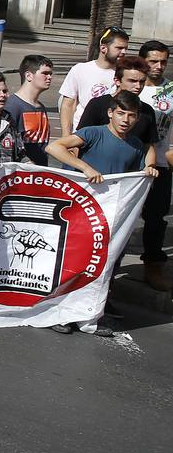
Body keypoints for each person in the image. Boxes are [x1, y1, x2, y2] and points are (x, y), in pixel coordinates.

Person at [45, 92, 162, 334]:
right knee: (75, 263)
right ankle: (61, 314)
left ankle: (89, 315)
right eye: (120, 113)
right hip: (83, 214)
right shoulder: (93, 133)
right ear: (111, 113)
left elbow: (148, 154)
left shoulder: (136, 145)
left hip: (113, 218)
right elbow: (54, 147)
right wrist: (85, 167)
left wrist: (149, 168)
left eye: (131, 115)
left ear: (137, 118)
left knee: (103, 268)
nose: (125, 120)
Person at [138, 41, 173, 292]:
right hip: (129, 164)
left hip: (161, 164)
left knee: (156, 218)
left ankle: (153, 265)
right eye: (153, 61)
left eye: (163, 61)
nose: (158, 66)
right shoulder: (132, 85)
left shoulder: (171, 90)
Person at [59, 26, 129, 135]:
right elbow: (68, 105)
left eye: (125, 48)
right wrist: (66, 136)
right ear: (103, 48)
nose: (124, 52)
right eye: (119, 48)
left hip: (111, 136)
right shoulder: (80, 69)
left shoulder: (125, 73)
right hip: (82, 133)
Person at [6, 54, 55, 165]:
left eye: (50, 74)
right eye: (45, 73)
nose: (49, 77)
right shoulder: (12, 106)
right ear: (29, 75)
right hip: (21, 172)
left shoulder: (41, 107)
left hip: (39, 172)